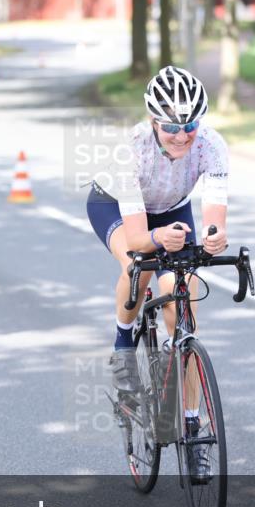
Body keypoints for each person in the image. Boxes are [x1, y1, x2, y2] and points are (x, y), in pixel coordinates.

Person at [85, 66, 229, 480]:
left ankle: (190, 421)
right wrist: (156, 238)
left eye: (190, 126)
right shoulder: (131, 149)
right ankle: (123, 344)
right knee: (138, 265)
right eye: (171, 127)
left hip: (171, 209)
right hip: (114, 206)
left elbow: (214, 216)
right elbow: (137, 236)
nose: (182, 136)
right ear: (153, 121)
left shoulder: (212, 146)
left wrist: (215, 238)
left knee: (185, 296)